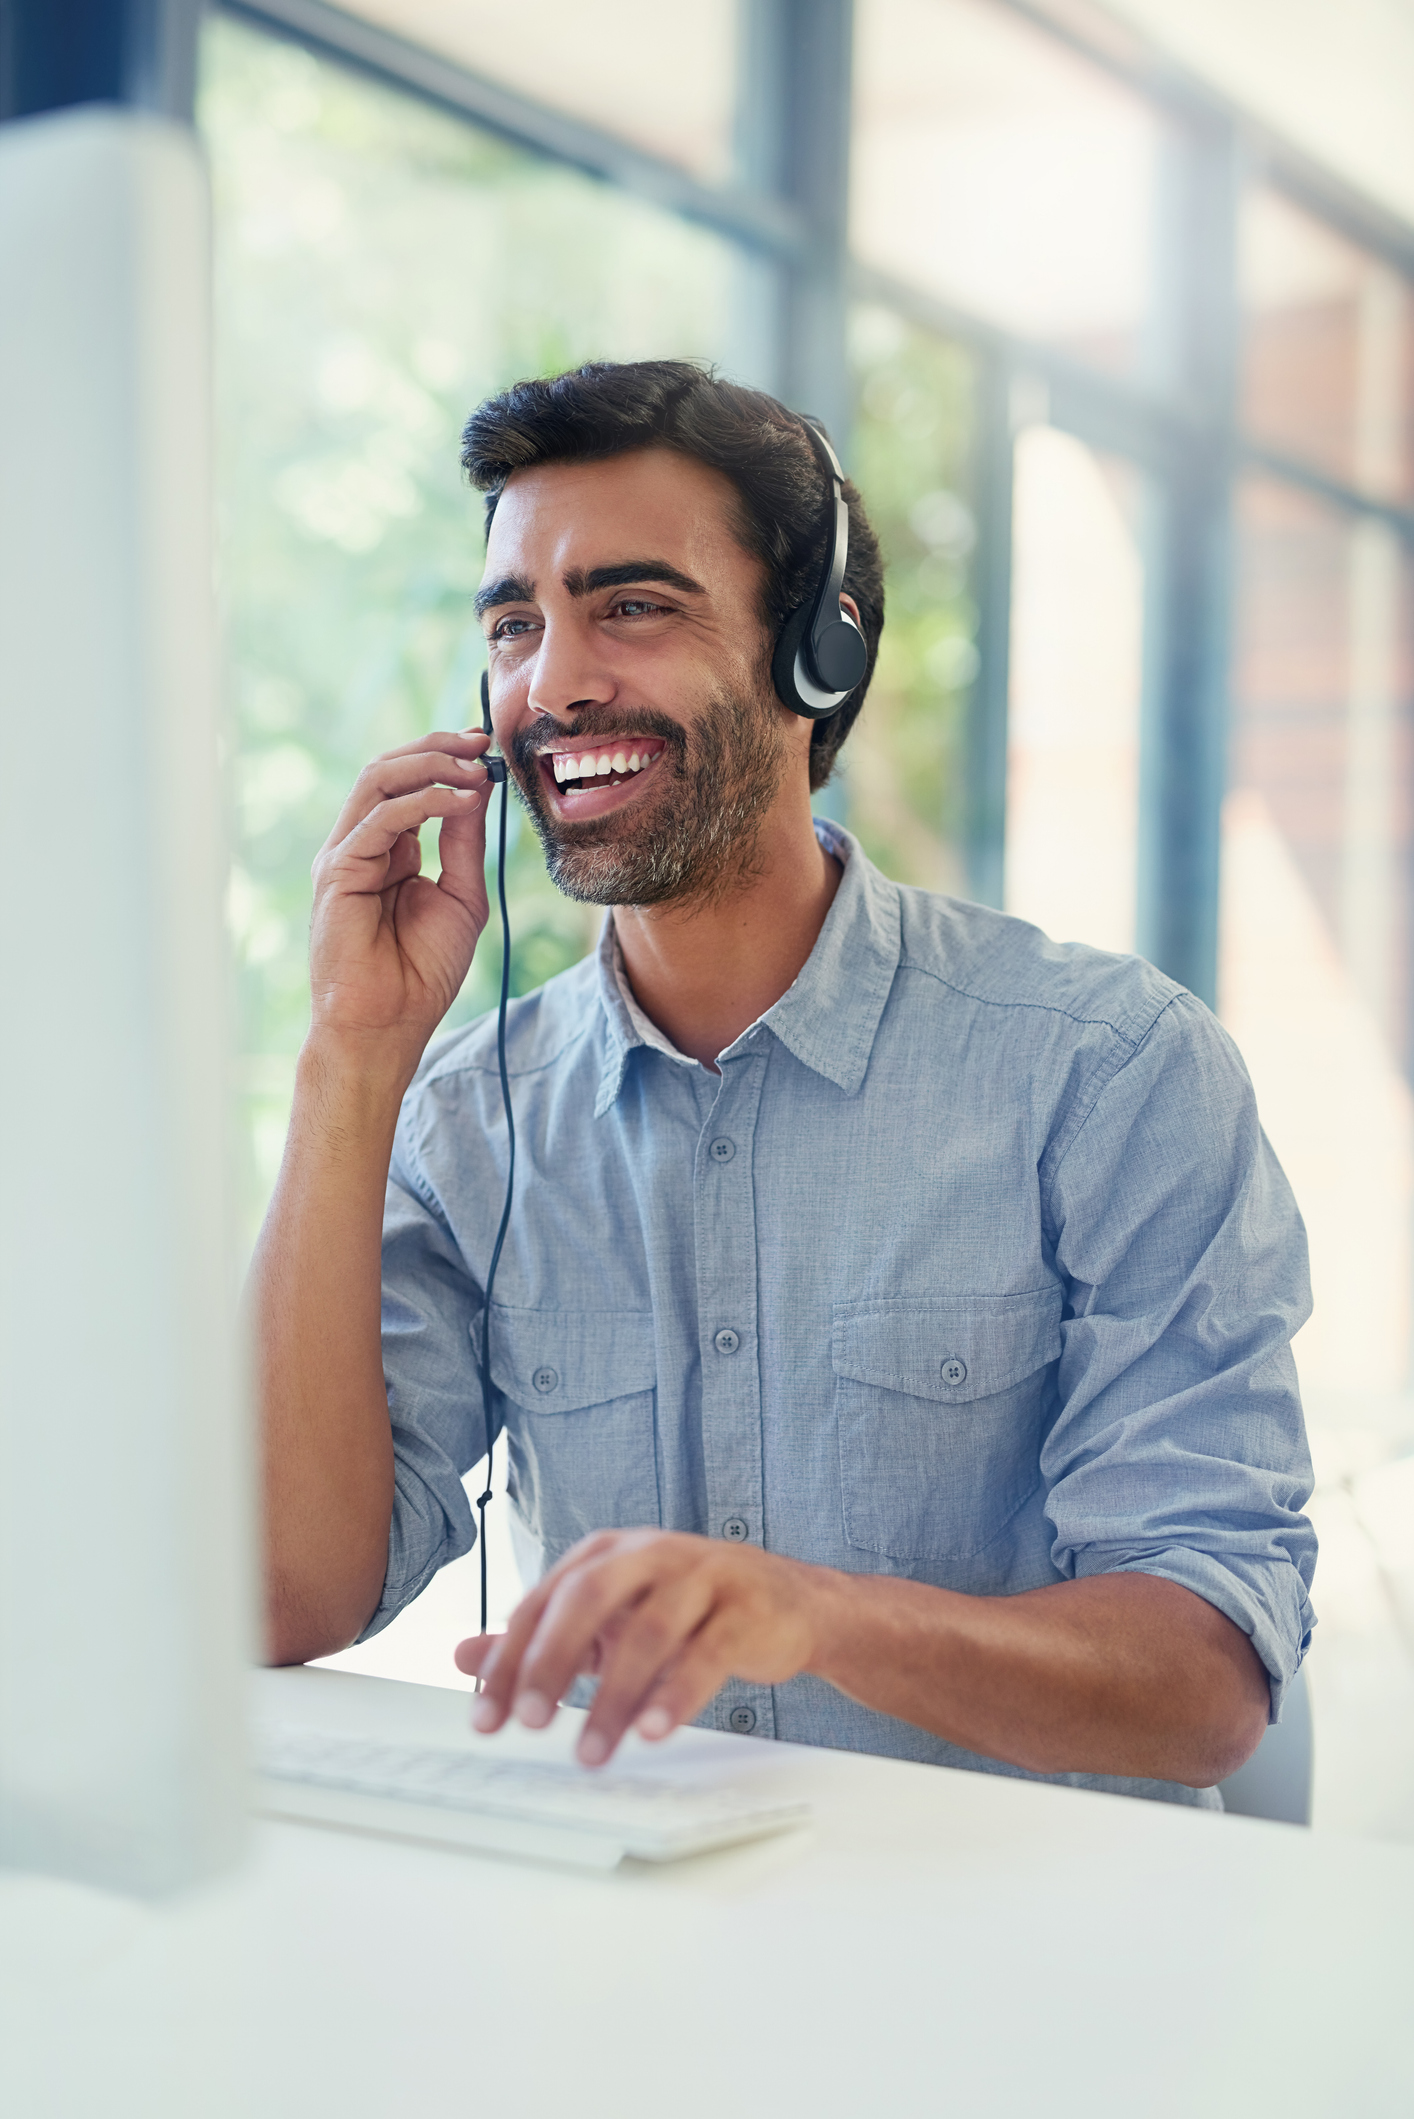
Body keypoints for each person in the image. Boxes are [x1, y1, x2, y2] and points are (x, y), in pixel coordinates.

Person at [252, 358, 1316, 1806]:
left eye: (628, 606)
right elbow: (280, 1596)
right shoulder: (466, 1116)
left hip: (1027, 1967)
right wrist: (348, 1053)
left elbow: (1204, 1686)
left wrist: (818, 1616)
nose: (550, 684)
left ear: (817, 652)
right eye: (514, 623)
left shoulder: (1104, 1071)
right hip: (641, 1943)